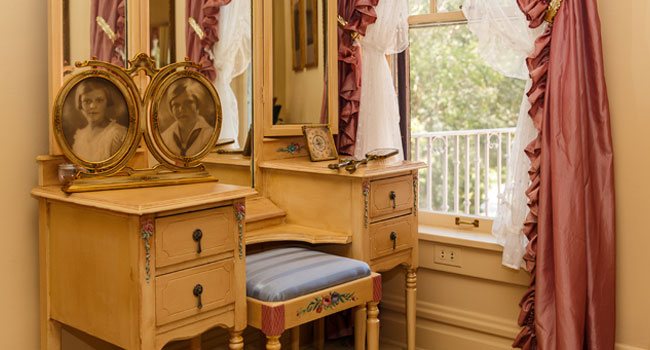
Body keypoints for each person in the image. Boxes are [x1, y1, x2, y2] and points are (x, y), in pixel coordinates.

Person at [72, 80, 128, 162]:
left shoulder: (117, 135)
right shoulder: (80, 136)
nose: (92, 106)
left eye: (99, 100)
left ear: (107, 103)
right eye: (87, 101)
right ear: (80, 104)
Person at [160, 79, 215, 157]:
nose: (181, 109)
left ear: (197, 104)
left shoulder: (210, 135)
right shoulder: (165, 138)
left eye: (188, 103)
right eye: (176, 105)